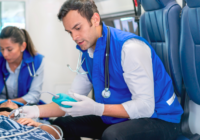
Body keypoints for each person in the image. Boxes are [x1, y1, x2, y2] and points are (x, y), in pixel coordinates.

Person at [21, 0, 183, 140]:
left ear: (95, 19)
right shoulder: (87, 53)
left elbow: (145, 107)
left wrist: (97, 108)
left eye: (78, 28)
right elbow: (70, 101)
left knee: (113, 135)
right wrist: (34, 111)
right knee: (63, 123)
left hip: (160, 119)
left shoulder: (130, 47)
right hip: (117, 118)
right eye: (70, 32)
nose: (74, 37)